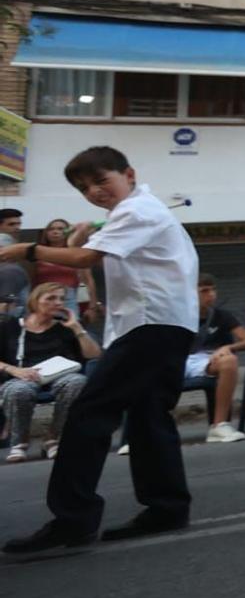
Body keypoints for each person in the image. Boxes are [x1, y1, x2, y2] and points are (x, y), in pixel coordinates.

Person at [2, 147, 201, 554]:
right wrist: (79, 241)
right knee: (148, 417)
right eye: (84, 188)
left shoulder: (138, 211)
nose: (94, 191)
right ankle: (166, 507)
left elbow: (86, 257)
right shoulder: (133, 212)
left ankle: (73, 519)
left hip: (151, 327)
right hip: (164, 325)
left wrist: (26, 250)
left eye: (101, 181)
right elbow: (90, 256)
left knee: (89, 411)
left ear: (129, 173)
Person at [2, 284, 100, 461]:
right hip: (23, 374)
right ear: (35, 301)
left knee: (76, 383)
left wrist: (77, 328)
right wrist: (13, 369)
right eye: (51, 298)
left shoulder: (65, 327)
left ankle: (53, 437)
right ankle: (19, 441)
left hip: (60, 375)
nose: (58, 303)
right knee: (19, 391)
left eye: (62, 299)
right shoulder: (12, 326)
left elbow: (94, 355)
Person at [187, 275, 245, 443]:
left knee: (229, 361)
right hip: (177, 360)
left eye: (213, 290)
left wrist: (228, 348)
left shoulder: (222, 316)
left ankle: (219, 425)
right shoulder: (177, 314)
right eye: (204, 291)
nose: (212, 295)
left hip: (207, 360)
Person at [31, 219, 100, 326]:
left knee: (70, 328)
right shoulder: (37, 253)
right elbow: (32, 280)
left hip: (68, 297)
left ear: (68, 231)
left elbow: (88, 280)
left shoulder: (75, 252)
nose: (55, 232)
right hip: (43, 298)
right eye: (51, 229)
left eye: (60, 229)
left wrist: (93, 306)